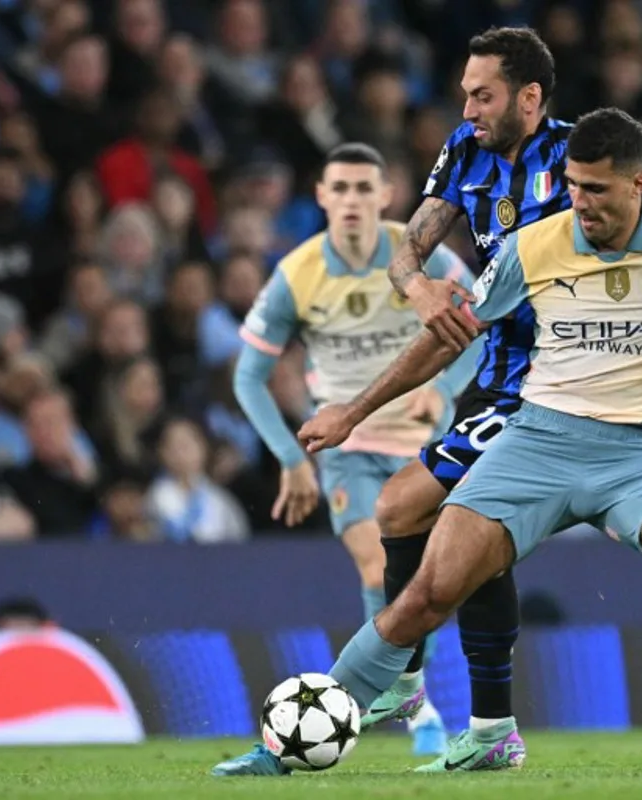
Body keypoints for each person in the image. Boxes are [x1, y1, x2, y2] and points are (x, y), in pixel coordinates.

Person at [217, 107, 642, 778]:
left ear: (640, 184)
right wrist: (353, 410)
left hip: (639, 459)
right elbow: (449, 337)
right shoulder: (536, 244)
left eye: (595, 189)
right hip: (535, 447)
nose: (579, 203)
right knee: (425, 594)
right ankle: (282, 745)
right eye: (573, 187)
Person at [232, 142, 482, 756]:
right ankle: (411, 696)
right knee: (377, 567)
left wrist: (444, 391)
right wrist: (292, 459)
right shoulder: (297, 273)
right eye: (338, 189)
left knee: (435, 583)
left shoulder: (422, 257)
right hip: (350, 446)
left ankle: (416, 692)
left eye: (362, 188)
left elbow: (482, 324)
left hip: (425, 446)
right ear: (320, 197)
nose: (350, 200)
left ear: (385, 196)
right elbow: (248, 376)